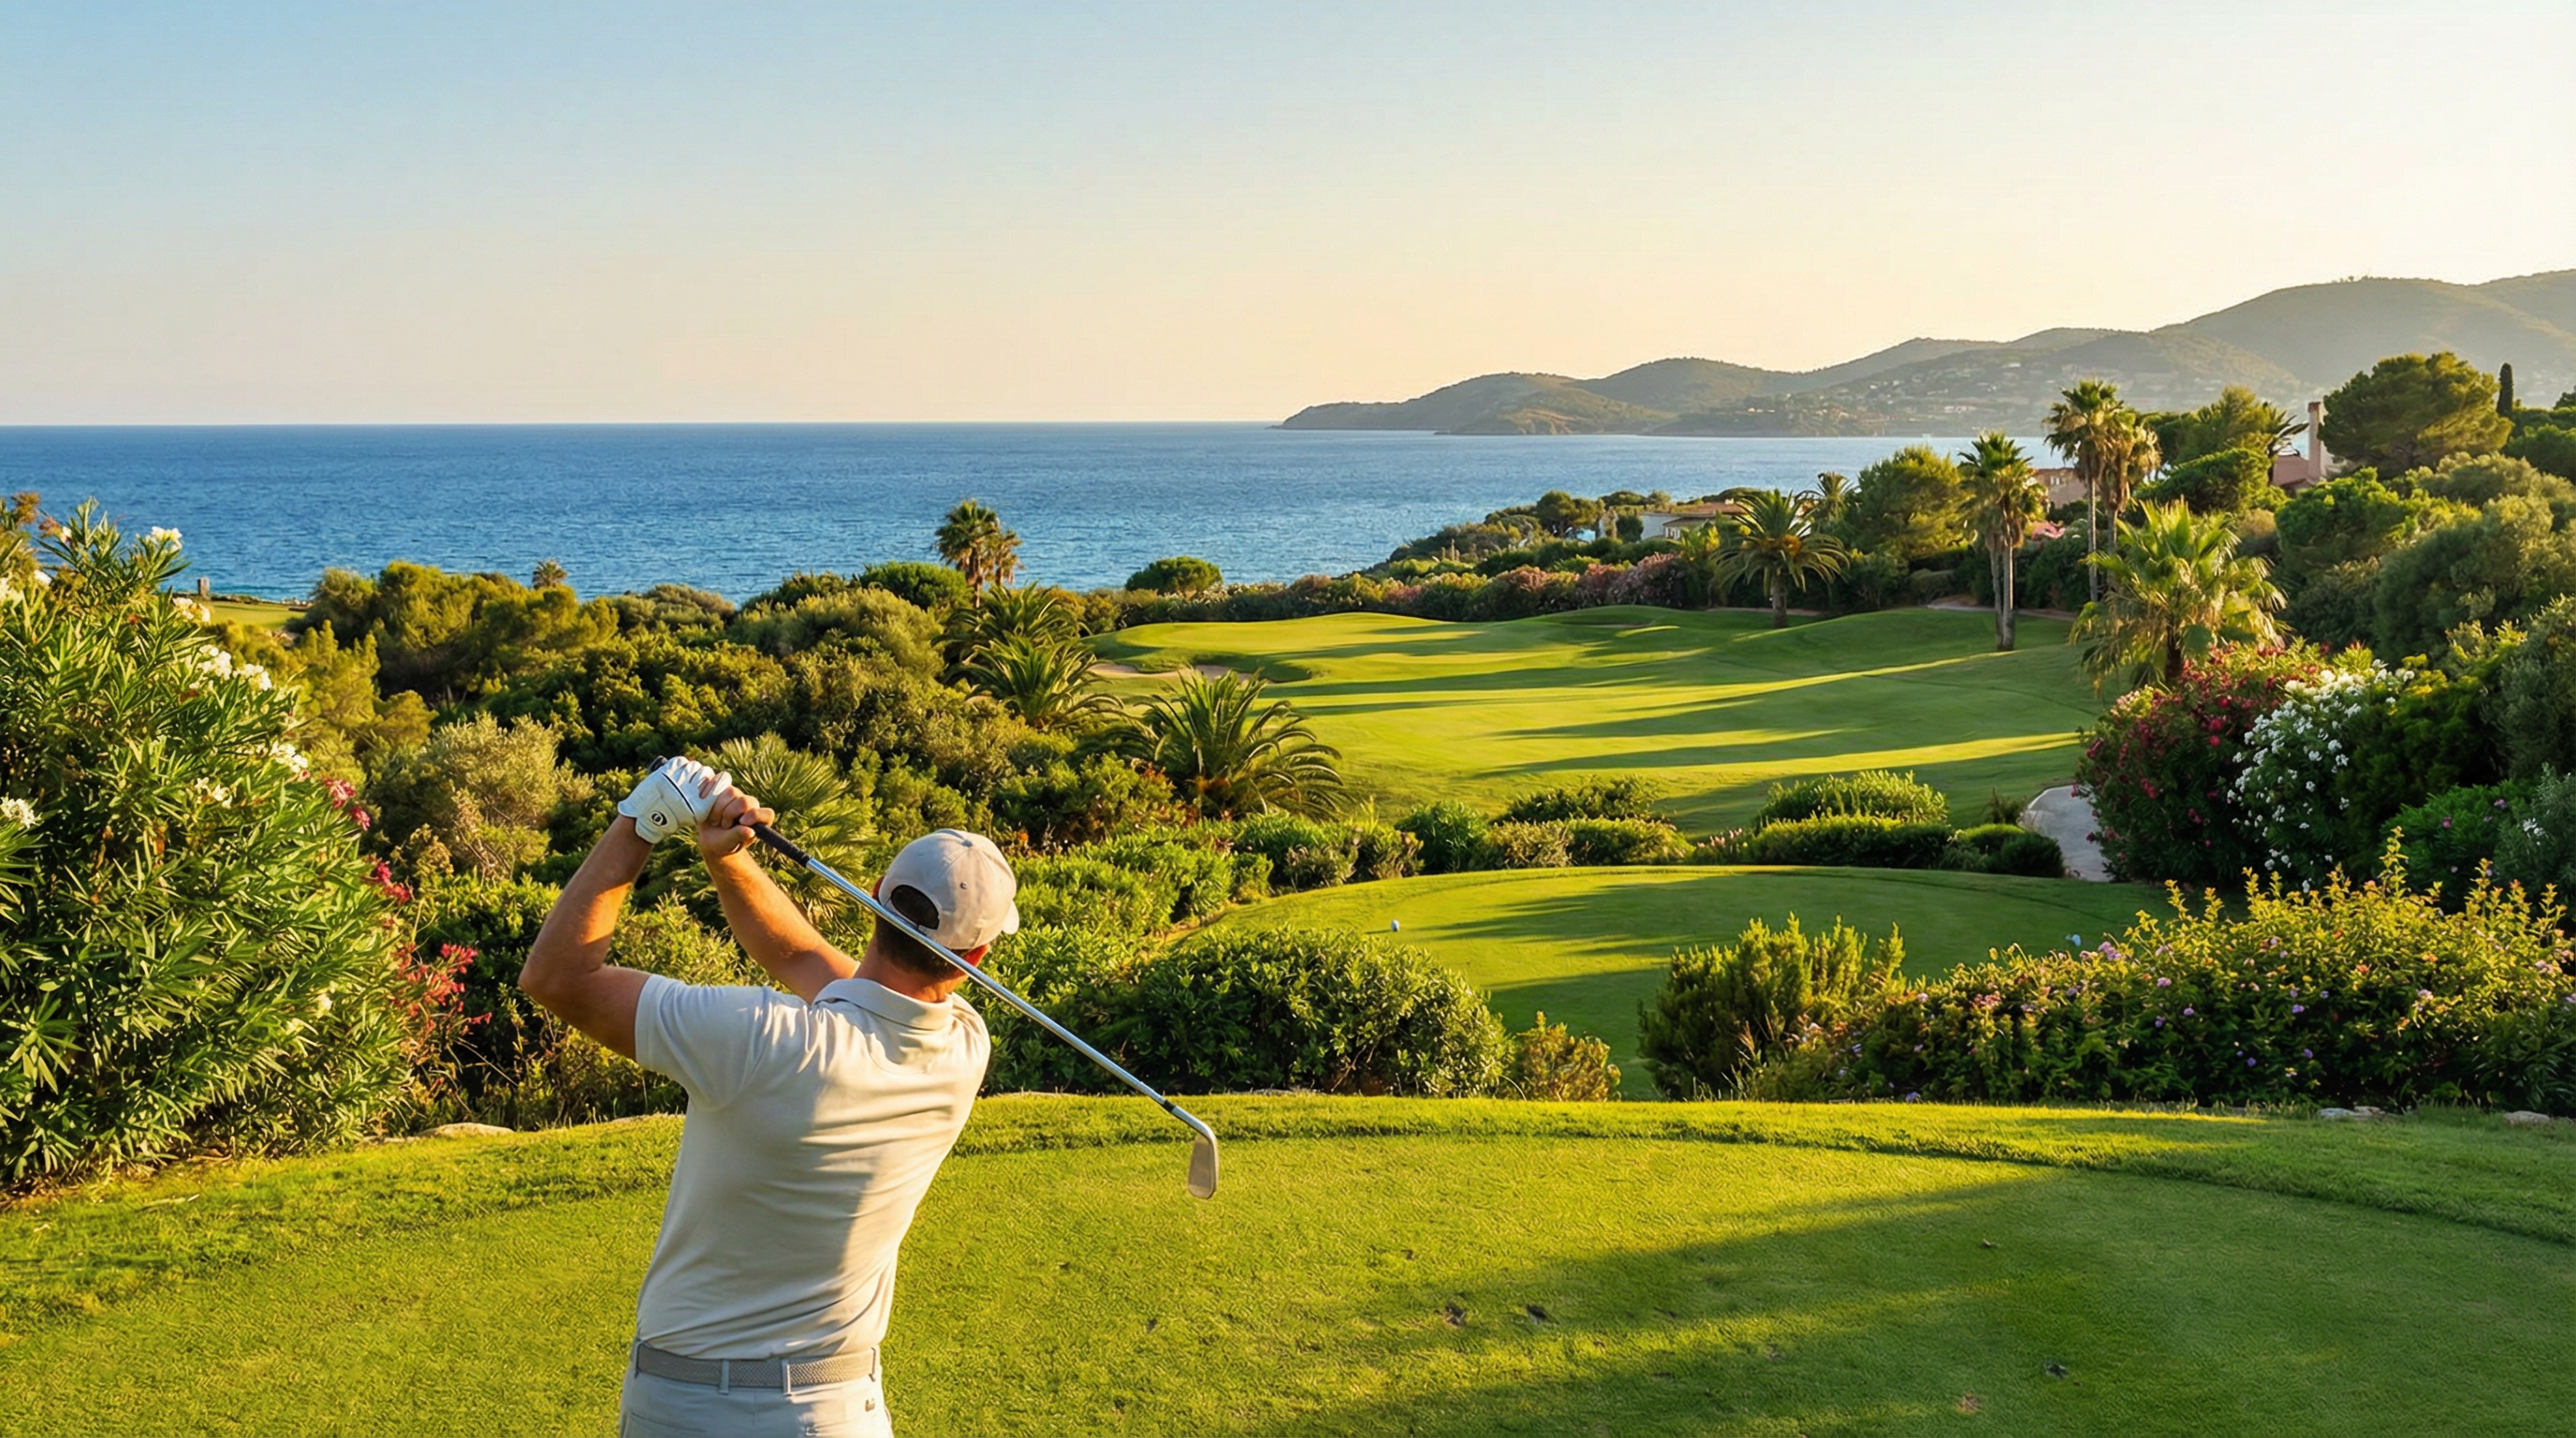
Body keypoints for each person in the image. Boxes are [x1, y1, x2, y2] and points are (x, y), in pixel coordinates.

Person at [519, 756, 1019, 1438]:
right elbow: (806, 960)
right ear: (979, 957)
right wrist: (726, 861)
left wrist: (641, 823)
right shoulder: (965, 1048)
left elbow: (558, 977)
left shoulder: (759, 1042)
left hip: (688, 1408)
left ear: (875, 893)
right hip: (842, 1411)